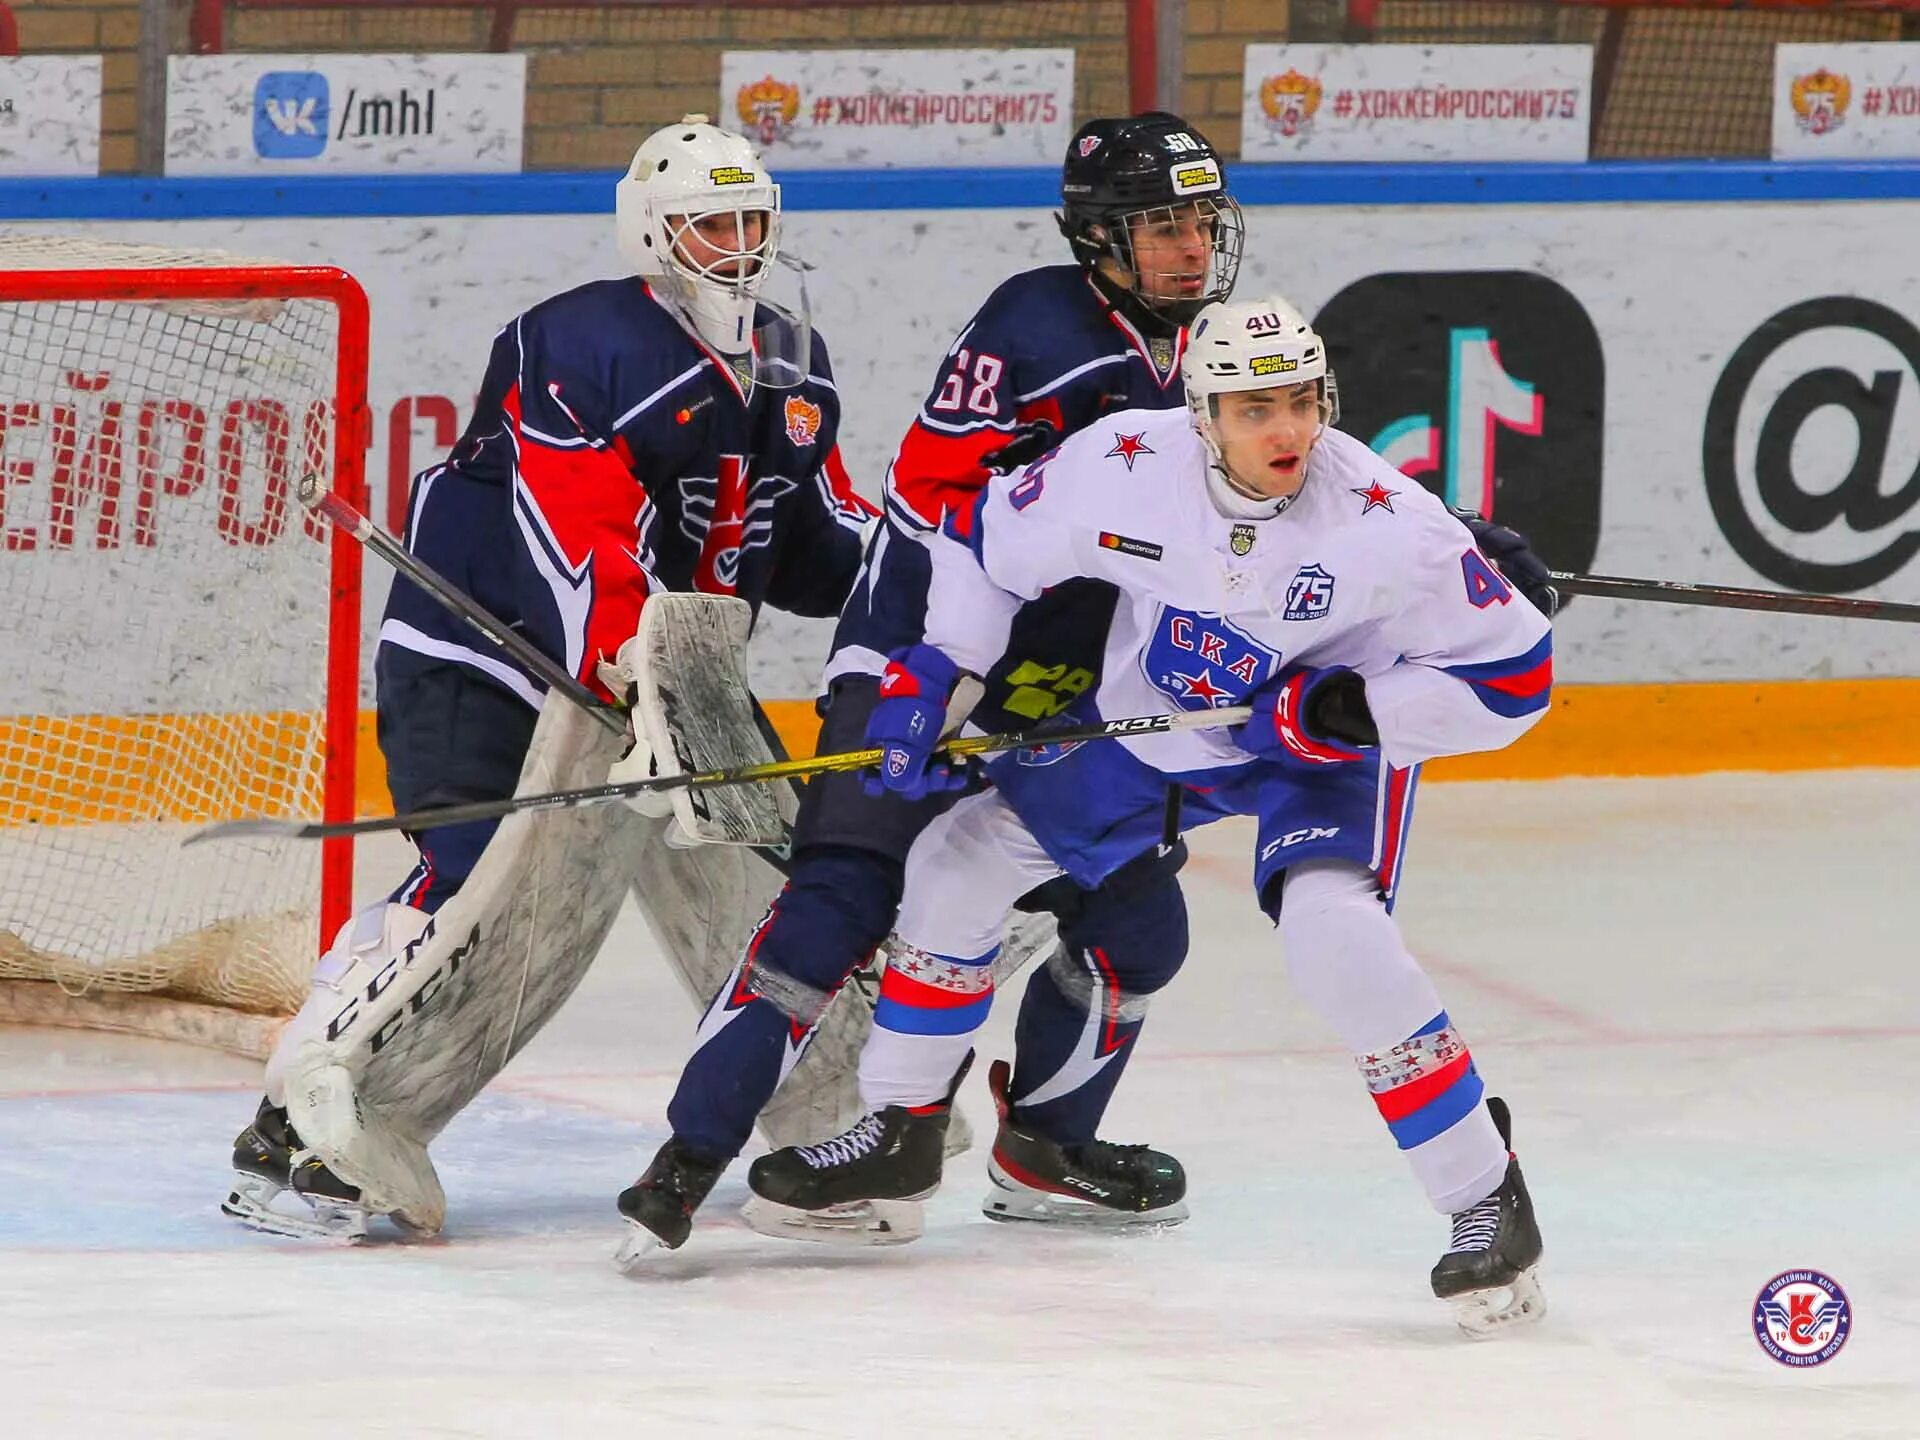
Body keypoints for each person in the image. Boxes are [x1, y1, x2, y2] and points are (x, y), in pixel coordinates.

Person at [748, 295, 1552, 1337]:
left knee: (1333, 938)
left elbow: (1517, 677)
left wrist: (1360, 708)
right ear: (1202, 413)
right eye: (1257, 407)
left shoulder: (1388, 525)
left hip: (1316, 750)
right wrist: (941, 670)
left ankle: (1485, 1196)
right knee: (959, 858)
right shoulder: (1122, 460)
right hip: (1160, 721)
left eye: (1303, 402)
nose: (1288, 432)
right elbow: (991, 548)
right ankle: (902, 1133)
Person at [222, 114, 876, 1240]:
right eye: (706, 223)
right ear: (653, 233)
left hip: (678, 673)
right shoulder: (573, 341)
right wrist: (635, 675)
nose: (736, 242)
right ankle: (305, 1134)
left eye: (750, 219)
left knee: (767, 894)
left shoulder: (792, 357)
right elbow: (577, 540)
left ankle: (827, 1132)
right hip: (492, 654)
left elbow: (825, 541)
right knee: (491, 893)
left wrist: (936, 612)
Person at [619, 112, 1254, 1254]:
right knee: (837, 910)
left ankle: (1048, 1150)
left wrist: (1438, 556)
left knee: (1137, 930)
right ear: (1100, 237)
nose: (1190, 247)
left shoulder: (1209, 354)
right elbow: (931, 502)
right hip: (923, 661)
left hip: (1063, 700)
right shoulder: (1039, 325)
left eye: (1201, 220)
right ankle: (690, 1156)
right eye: (1160, 224)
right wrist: (942, 677)